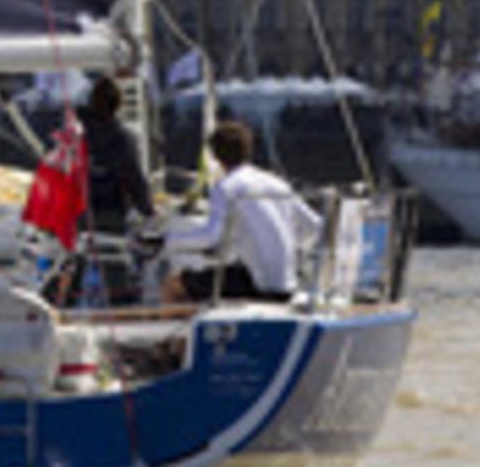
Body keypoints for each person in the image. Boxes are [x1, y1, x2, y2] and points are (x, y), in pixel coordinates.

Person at [163, 121, 321, 302]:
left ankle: (176, 321)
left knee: (175, 283)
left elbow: (212, 236)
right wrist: (294, 249)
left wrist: (170, 240)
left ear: (215, 156)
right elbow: (315, 226)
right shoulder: (276, 183)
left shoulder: (226, 186)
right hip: (288, 283)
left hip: (257, 284)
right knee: (224, 274)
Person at [79, 75, 154, 234]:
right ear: (118, 105)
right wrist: (148, 211)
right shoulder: (123, 140)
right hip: (113, 217)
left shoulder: (75, 136)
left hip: (79, 218)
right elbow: (134, 180)